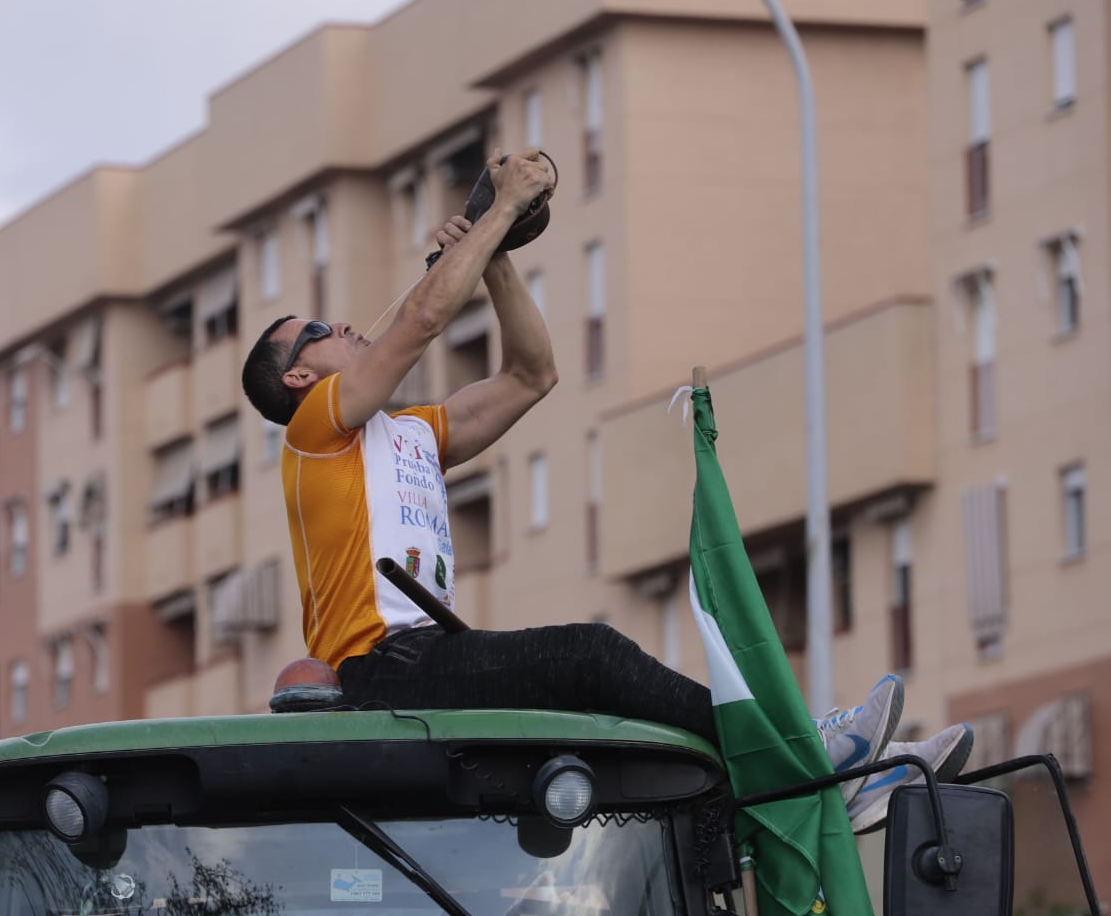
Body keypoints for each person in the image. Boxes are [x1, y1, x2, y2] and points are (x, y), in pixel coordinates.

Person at [240, 148, 968, 830]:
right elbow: (424, 319)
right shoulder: (314, 431)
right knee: (588, 657)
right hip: (380, 672)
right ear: (300, 376)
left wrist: (495, 261)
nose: (341, 325)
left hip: (426, 655)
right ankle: (807, 758)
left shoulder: (409, 434)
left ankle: (807, 791)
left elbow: (532, 375)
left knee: (616, 718)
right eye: (318, 331)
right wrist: (499, 210)